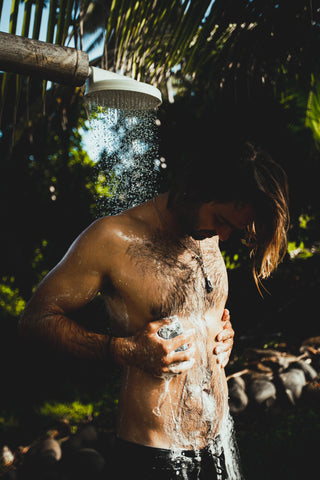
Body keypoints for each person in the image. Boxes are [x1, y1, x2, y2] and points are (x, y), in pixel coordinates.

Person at [19, 140, 289, 480]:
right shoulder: (113, 238)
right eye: (221, 220)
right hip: (155, 454)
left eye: (232, 228)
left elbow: (198, 314)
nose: (222, 235)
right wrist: (124, 350)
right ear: (195, 188)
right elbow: (35, 319)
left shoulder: (208, 233)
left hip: (219, 438)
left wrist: (222, 336)